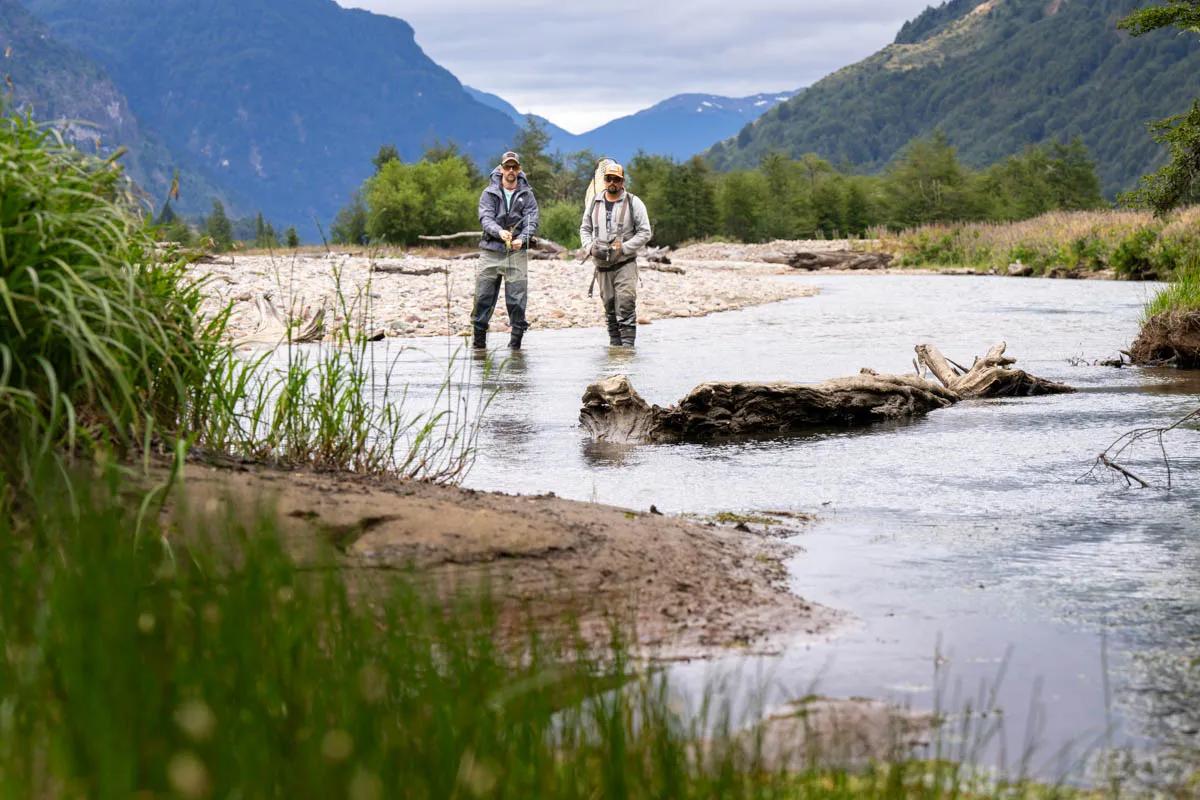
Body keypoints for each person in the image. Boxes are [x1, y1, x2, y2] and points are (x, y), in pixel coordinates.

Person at [579, 162, 652, 347]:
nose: (612, 182)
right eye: (609, 178)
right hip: (601, 265)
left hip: (625, 263)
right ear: (604, 180)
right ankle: (614, 350)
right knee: (609, 307)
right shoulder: (594, 202)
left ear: (622, 181)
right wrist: (589, 247)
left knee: (626, 303)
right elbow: (585, 229)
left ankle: (627, 351)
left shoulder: (634, 202)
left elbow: (645, 232)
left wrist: (625, 248)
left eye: (616, 179)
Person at [474, 150, 539, 350]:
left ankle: (515, 349)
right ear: (501, 169)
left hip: (516, 253)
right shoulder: (488, 193)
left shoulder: (527, 195)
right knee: (483, 297)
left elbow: (532, 220)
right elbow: (485, 218)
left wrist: (523, 239)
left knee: (517, 300)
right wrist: (499, 232)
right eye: (507, 167)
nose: (511, 170)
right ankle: (478, 346)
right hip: (490, 251)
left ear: (519, 170)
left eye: (514, 167)